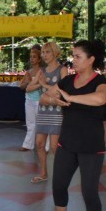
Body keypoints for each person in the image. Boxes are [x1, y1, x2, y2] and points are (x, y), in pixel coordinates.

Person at [41, 39, 106, 211]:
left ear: (91, 60)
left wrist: (70, 97)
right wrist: (56, 99)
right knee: (58, 185)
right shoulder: (68, 80)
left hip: (91, 147)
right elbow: (44, 97)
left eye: (78, 56)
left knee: (89, 192)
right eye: (73, 55)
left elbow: (100, 99)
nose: (73, 59)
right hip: (67, 144)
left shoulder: (101, 82)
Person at [32, 42, 68, 183]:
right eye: (43, 52)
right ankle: (43, 173)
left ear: (55, 53)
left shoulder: (62, 70)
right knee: (39, 144)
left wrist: (44, 85)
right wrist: (36, 84)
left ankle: (61, 174)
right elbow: (29, 87)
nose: (44, 55)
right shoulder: (42, 71)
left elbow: (62, 92)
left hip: (57, 112)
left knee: (54, 147)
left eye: (47, 52)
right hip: (43, 111)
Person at [19, 48, 42, 152]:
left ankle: (44, 145)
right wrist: (28, 83)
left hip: (39, 100)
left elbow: (44, 86)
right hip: (29, 100)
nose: (32, 59)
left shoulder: (42, 71)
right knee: (30, 123)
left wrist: (33, 84)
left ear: (39, 59)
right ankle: (28, 144)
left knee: (41, 123)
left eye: (34, 57)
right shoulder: (28, 72)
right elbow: (21, 86)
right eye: (31, 57)